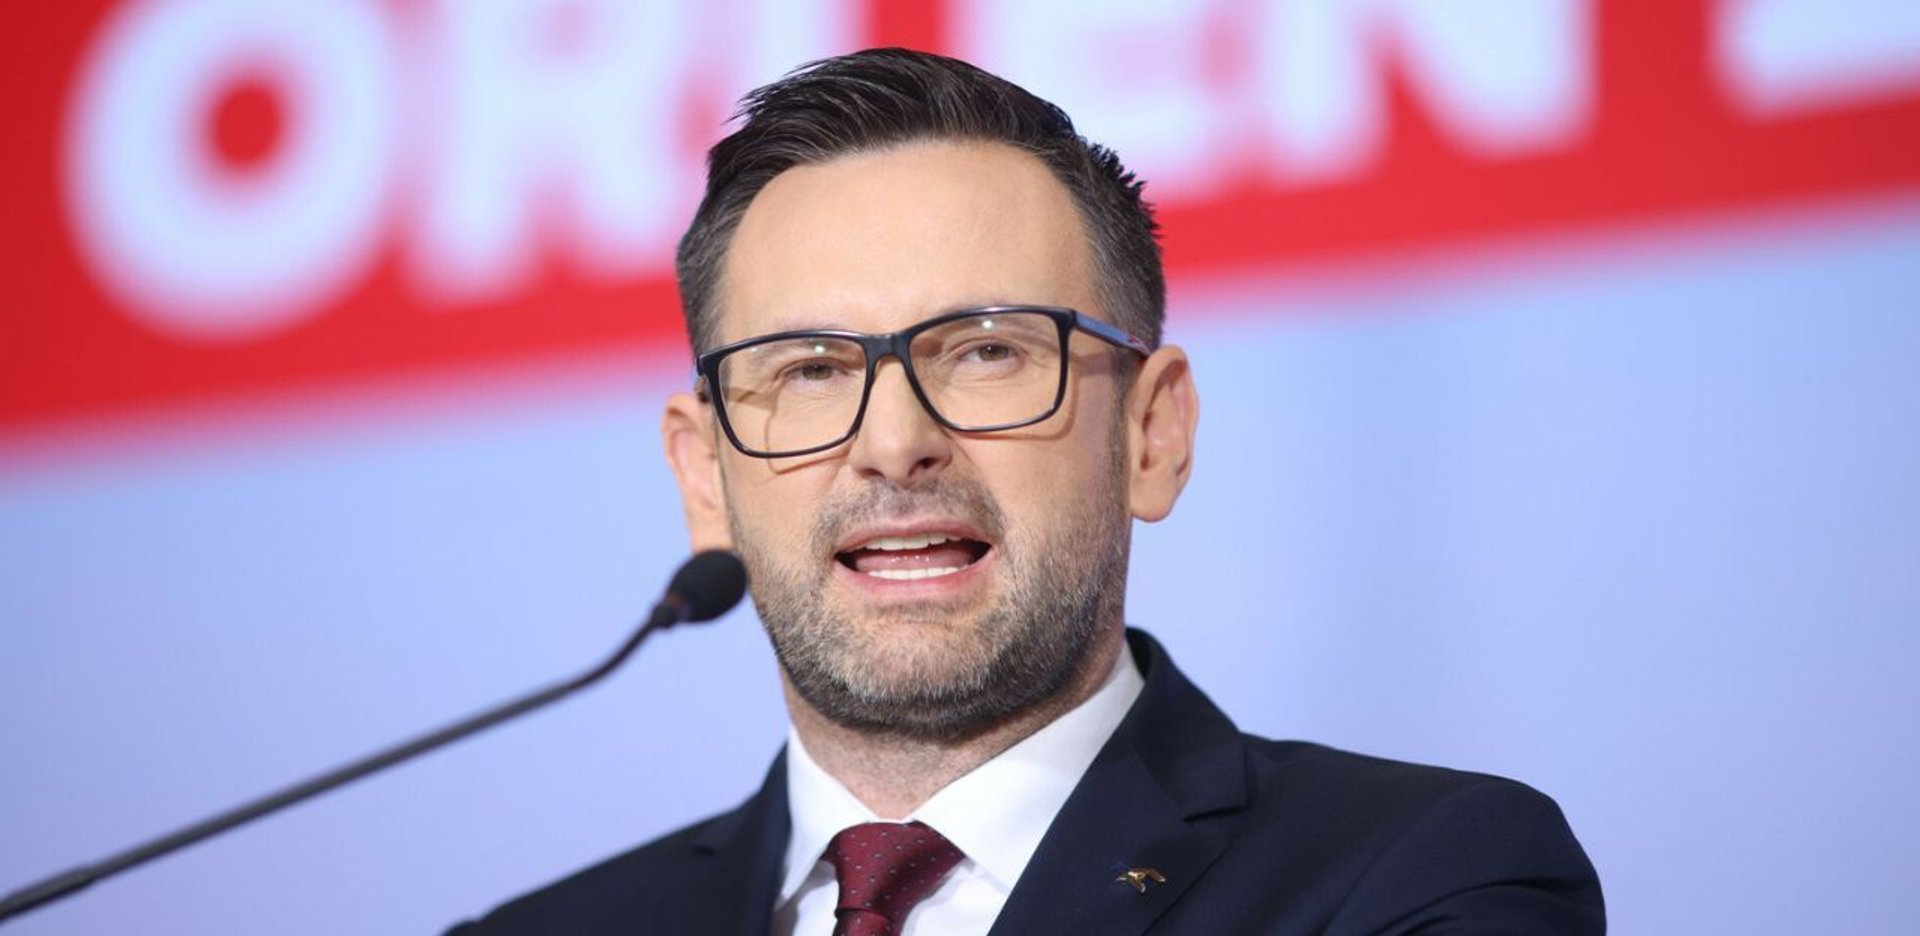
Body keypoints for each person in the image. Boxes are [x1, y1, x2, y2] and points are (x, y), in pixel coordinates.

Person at [452, 48, 1604, 934]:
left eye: (989, 351)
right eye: (809, 370)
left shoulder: (1424, 877)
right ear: (705, 474)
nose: (895, 443)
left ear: (1152, 434)